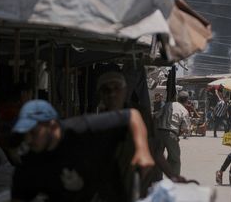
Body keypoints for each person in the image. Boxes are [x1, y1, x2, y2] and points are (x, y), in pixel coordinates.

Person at [10, 99, 154, 202]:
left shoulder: (83, 128)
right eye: (25, 134)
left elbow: (132, 115)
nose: (28, 140)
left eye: (33, 133)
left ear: (52, 125)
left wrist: (143, 151)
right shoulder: (29, 162)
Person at [96, 70, 188, 185]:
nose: (112, 94)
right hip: (106, 181)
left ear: (124, 91)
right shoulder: (93, 121)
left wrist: (173, 176)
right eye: (106, 90)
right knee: (174, 158)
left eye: (117, 88)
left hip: (135, 180)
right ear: (101, 94)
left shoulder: (140, 114)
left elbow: (155, 150)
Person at [155, 91, 191, 177]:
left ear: (178, 98)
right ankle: (174, 180)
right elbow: (185, 129)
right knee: (174, 160)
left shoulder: (168, 105)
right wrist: (178, 134)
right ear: (187, 101)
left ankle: (156, 177)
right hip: (171, 134)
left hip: (159, 132)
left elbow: (156, 116)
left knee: (157, 156)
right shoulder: (184, 111)